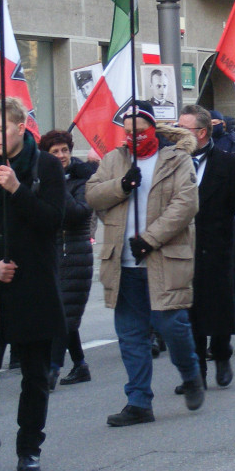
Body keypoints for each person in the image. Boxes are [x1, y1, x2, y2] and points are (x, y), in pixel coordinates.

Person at [0, 97, 66, 471]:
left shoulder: (46, 166)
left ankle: (29, 449)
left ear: (20, 128)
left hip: (34, 284)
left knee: (34, 374)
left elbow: (53, 221)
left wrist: (18, 189)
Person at [86, 101, 204, 426]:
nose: (133, 138)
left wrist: (149, 239)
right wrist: (121, 185)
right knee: (131, 335)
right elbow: (93, 195)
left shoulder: (176, 160)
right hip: (122, 263)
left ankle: (191, 373)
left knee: (171, 326)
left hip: (161, 258)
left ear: (153, 129)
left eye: (139, 132)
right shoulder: (114, 160)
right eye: (127, 133)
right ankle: (138, 401)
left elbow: (186, 204)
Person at [176, 105, 235, 390]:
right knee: (190, 310)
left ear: (200, 133)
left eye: (182, 128)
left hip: (219, 245)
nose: (177, 133)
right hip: (181, 248)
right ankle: (196, 371)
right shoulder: (172, 163)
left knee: (220, 305)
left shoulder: (230, 164)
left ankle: (222, 355)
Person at [38, 130, 97, 388]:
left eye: (64, 150)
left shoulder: (83, 179)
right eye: (55, 152)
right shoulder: (41, 178)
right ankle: (80, 364)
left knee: (63, 313)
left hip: (76, 252)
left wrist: (57, 184)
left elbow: (79, 213)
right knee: (64, 312)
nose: (61, 156)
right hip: (51, 251)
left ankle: (52, 368)